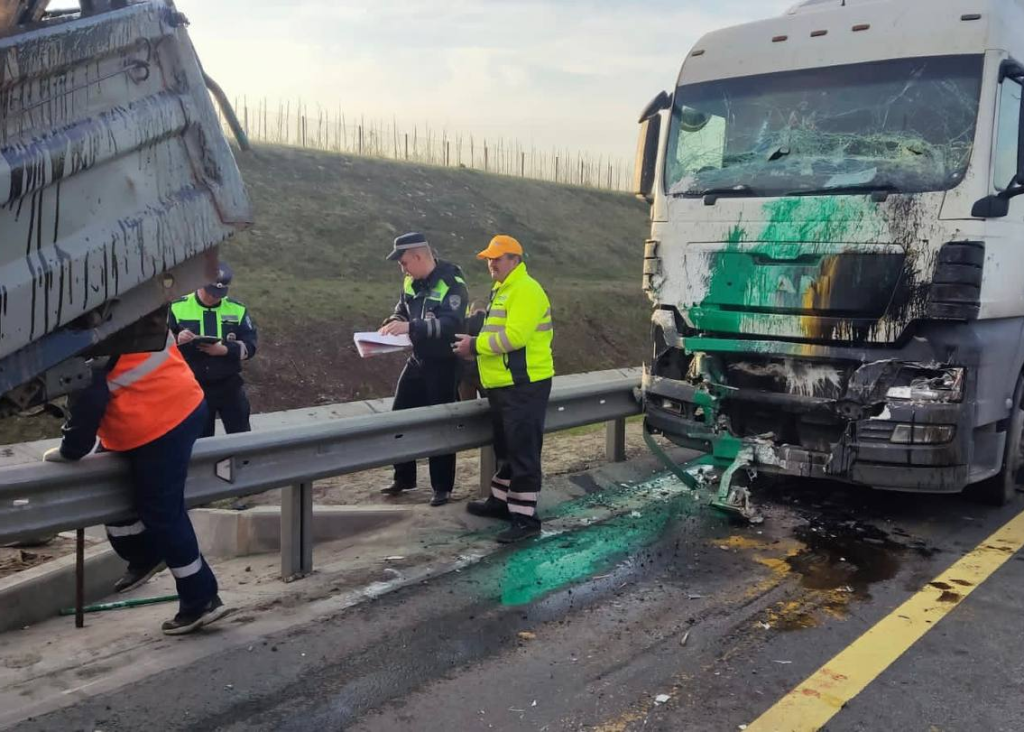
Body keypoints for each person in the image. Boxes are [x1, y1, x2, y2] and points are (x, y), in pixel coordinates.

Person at [42, 317, 230, 635]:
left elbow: (88, 404)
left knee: (162, 512)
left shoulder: (87, 346)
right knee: (115, 492)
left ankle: (200, 599)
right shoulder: (130, 309)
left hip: (159, 423)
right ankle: (144, 556)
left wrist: (71, 451)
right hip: (174, 404)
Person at [453, 235, 554, 543]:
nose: (491, 264)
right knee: (506, 449)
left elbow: (515, 337)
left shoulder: (525, 290)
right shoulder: (504, 290)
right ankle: (501, 503)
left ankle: (525, 520)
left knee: (523, 452)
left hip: (524, 385)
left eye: (498, 258)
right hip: (503, 385)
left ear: (516, 260)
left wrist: (475, 345)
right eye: (488, 259)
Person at [379, 232, 469, 507]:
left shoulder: (452, 282)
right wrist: (394, 322)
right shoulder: (410, 281)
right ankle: (403, 477)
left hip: (444, 361)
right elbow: (402, 309)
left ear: (419, 257)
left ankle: (442, 487)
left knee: (440, 423)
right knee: (400, 416)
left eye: (405, 263)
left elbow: (451, 324)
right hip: (418, 359)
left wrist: (411, 327)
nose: (402, 269)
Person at [169, 263, 257, 439]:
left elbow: (251, 346)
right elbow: (159, 346)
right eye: (209, 292)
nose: (212, 297)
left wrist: (224, 350)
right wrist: (178, 340)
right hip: (194, 386)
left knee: (241, 437)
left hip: (229, 385)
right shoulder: (177, 307)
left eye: (218, 294)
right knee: (202, 440)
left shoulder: (237, 309)